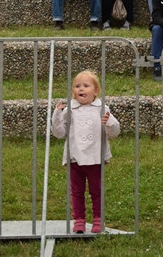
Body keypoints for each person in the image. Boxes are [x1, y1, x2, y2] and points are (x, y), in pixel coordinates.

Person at [51, 71, 121, 235]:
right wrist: (57, 115)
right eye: (77, 86)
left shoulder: (102, 108)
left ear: (95, 91)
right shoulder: (70, 109)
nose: (81, 89)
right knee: (77, 191)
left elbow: (114, 132)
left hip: (95, 157)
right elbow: (59, 133)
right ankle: (79, 220)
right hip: (75, 157)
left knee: (96, 190)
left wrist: (108, 122)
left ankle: (98, 219)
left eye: (86, 86)